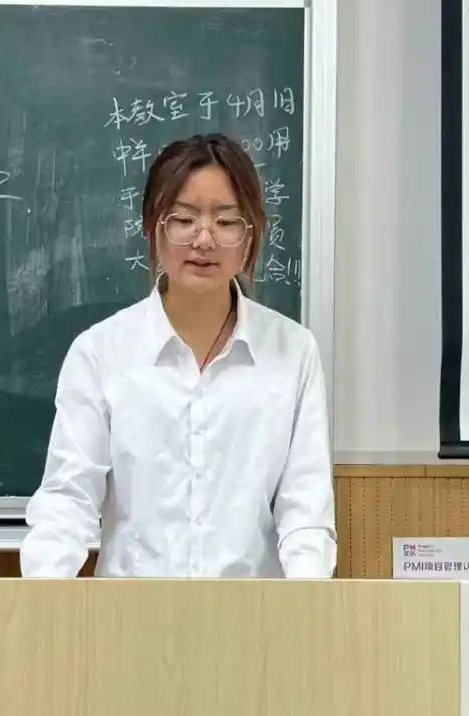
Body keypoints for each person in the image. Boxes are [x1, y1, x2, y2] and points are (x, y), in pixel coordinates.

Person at [19, 133, 336, 578]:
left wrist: (307, 601)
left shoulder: (293, 352)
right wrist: (43, 593)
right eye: (184, 219)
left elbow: (306, 511)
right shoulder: (100, 353)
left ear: (250, 236)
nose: (204, 239)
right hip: (130, 613)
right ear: (152, 228)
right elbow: (68, 500)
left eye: (226, 221)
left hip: (253, 614)